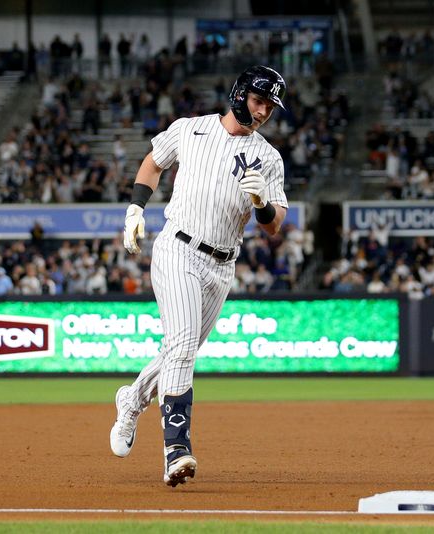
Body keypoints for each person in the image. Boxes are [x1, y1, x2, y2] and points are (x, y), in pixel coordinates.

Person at [110, 65, 289, 487]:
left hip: (222, 264)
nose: (263, 111)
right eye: (259, 100)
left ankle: (132, 398)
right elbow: (153, 163)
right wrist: (136, 208)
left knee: (179, 349)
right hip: (179, 247)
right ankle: (177, 449)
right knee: (185, 346)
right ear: (240, 93)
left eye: (270, 106)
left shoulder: (268, 157)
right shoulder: (192, 129)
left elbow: (274, 223)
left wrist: (262, 202)